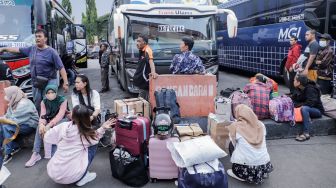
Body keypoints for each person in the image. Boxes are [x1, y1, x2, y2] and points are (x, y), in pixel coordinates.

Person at [44, 105, 116, 186]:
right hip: (72, 177)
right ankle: (83, 176)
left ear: (73, 116)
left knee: (77, 146)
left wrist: (59, 140)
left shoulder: (64, 126)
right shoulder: (85, 133)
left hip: (54, 173)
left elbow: (47, 137)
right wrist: (103, 127)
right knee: (94, 144)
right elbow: (96, 137)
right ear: (87, 118)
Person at [0, 29, 69, 112]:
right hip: (36, 82)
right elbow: (17, 49)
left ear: (45, 39)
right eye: (36, 37)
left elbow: (61, 68)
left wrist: (65, 82)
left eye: (40, 36)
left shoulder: (52, 52)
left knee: (48, 102)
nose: (37, 38)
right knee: (37, 103)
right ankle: (40, 120)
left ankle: (50, 121)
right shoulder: (31, 49)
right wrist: (4, 49)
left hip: (49, 81)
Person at [226, 104, 273, 184]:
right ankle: (257, 174)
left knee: (231, 144)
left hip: (246, 167)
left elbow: (233, 143)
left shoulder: (235, 126)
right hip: (263, 165)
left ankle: (241, 174)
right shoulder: (261, 125)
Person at [25, 85, 68, 167]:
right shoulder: (43, 101)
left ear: (56, 92)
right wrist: (41, 124)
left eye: (52, 92)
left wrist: (49, 125)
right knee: (39, 128)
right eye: (48, 93)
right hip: (49, 120)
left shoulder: (62, 100)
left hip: (62, 120)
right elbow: (43, 115)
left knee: (56, 128)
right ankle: (35, 153)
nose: (50, 94)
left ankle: (55, 152)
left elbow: (60, 115)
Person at [0, 86, 39, 164]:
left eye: (8, 95)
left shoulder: (24, 103)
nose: (6, 97)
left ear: (13, 94)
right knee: (3, 127)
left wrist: (3, 120)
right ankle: (14, 146)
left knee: (5, 128)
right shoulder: (14, 102)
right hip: (19, 123)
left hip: (29, 125)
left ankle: (8, 153)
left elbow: (15, 120)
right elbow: (8, 116)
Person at [291, 74, 324, 141]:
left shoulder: (310, 89)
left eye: (294, 80)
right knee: (293, 104)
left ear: (299, 82)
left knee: (304, 108)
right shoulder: (299, 88)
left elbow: (310, 103)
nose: (293, 81)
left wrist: (297, 105)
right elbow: (293, 98)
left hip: (317, 110)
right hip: (308, 108)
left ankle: (306, 133)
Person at [133, 34, 158, 101]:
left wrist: (153, 72)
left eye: (139, 41)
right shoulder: (142, 50)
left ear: (144, 42)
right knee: (143, 102)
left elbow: (151, 61)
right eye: (137, 41)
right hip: (141, 83)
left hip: (145, 83)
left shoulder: (147, 50)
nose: (137, 43)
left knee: (142, 102)